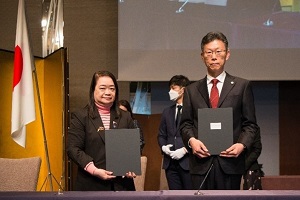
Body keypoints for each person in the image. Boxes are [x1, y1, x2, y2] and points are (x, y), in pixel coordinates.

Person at [180, 31, 260, 190]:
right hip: (200, 164)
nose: (214, 57)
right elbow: (185, 125)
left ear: (227, 54)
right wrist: (192, 141)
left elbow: (250, 124)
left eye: (218, 51)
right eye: (209, 52)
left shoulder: (242, 86)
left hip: (230, 163)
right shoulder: (191, 90)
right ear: (202, 56)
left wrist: (241, 145)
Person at [67, 70, 136, 191]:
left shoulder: (125, 116)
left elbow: (134, 145)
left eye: (112, 89)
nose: (108, 92)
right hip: (91, 184)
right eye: (103, 88)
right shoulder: (80, 116)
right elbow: (72, 148)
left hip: (122, 186)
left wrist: (130, 166)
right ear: (93, 90)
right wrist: (93, 170)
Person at [157, 75, 193, 190]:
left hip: (188, 162)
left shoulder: (193, 110)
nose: (170, 91)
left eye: (173, 88)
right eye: (170, 88)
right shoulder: (167, 111)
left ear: (183, 90)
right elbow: (161, 134)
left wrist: (184, 150)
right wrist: (163, 147)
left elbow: (199, 134)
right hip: (170, 163)